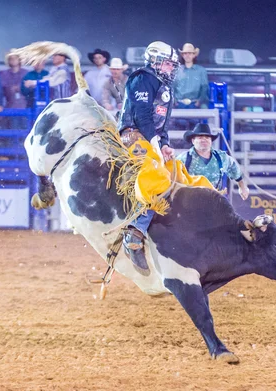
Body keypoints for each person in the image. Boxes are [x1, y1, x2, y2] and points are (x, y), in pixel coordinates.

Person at [118, 41, 180, 271]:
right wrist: (155, 145)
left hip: (149, 137)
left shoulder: (164, 86)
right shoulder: (142, 78)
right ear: (154, 60)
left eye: (172, 65)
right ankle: (134, 234)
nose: (170, 68)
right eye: (167, 63)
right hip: (131, 134)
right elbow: (143, 116)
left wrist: (164, 145)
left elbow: (161, 123)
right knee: (156, 174)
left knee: (176, 172)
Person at [176, 123, 249, 198]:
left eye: (207, 137)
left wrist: (242, 187)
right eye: (200, 137)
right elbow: (172, 178)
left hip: (215, 200)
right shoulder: (183, 158)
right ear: (193, 140)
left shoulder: (221, 157)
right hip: (190, 201)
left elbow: (234, 168)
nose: (204, 139)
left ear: (211, 141)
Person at [173, 43, 209, 109]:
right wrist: (174, 101)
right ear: (182, 55)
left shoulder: (201, 71)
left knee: (205, 109)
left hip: (195, 104)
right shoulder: (176, 70)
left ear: (194, 55)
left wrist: (199, 101)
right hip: (179, 104)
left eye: (190, 53)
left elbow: (204, 87)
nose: (187, 55)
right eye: (185, 53)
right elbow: (172, 87)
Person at [0, 50, 28, 129]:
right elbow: (2, 89)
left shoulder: (26, 73)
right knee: (13, 127)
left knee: (25, 129)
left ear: (19, 60)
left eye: (15, 58)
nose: (13, 60)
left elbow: (30, 89)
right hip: (10, 105)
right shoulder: (4, 74)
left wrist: (21, 87)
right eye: (10, 58)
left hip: (24, 106)